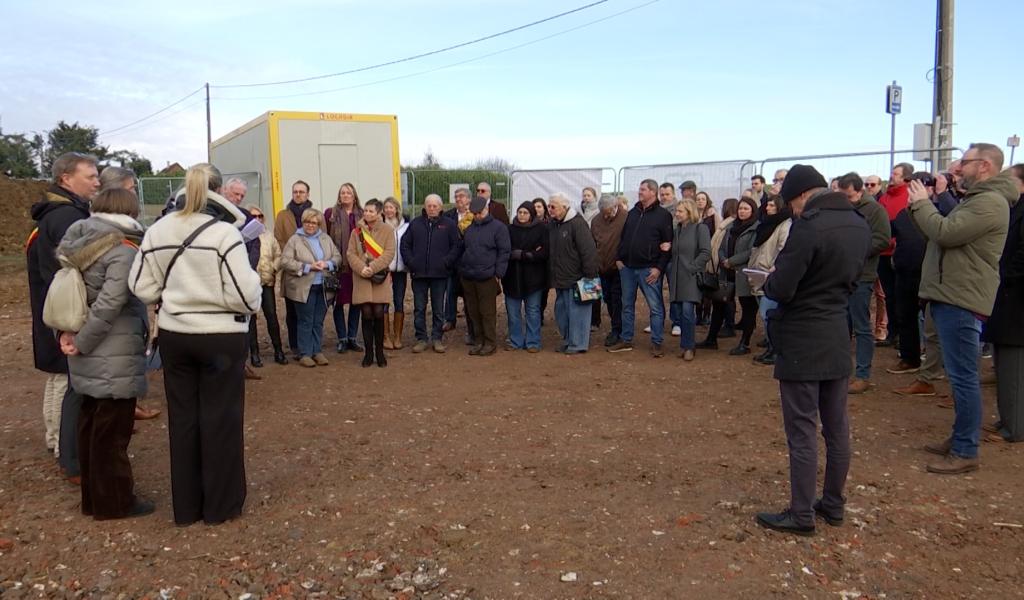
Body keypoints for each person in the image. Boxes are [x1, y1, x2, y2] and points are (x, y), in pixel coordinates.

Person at [129, 163, 262, 526]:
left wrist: (174, 296)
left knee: (183, 421)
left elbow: (140, 286)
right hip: (220, 336)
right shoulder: (223, 234)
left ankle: (186, 508)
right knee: (221, 420)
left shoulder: (158, 230)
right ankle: (220, 507)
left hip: (175, 335)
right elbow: (245, 295)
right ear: (219, 191)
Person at [755, 164, 871, 537]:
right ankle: (833, 504)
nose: (793, 210)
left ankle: (801, 513)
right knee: (837, 428)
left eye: (791, 203)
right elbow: (853, 280)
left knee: (802, 430)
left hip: (803, 337)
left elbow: (784, 287)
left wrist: (769, 282)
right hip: (837, 334)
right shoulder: (858, 223)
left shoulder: (809, 226)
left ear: (802, 195)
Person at [909, 143, 1014, 474]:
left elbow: (945, 232)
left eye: (963, 164)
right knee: (959, 376)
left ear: (983, 166)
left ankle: (966, 449)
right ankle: (959, 438)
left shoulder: (990, 203)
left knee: (964, 377)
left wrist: (923, 205)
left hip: (961, 298)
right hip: (952, 294)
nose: (957, 170)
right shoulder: (979, 200)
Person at [56, 187, 154, 520]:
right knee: (112, 433)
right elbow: (110, 305)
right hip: (112, 351)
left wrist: (70, 336)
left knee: (90, 425)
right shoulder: (121, 250)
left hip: (84, 350)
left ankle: (93, 499)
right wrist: (83, 340)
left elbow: (68, 294)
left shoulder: (77, 244)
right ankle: (115, 503)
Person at [28, 152, 98, 483]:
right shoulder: (67, 217)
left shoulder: (58, 213)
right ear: (66, 179)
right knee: (66, 378)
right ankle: (62, 447)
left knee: (60, 377)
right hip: (65, 309)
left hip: (54, 306)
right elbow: (77, 266)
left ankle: (57, 442)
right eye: (90, 176)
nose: (97, 181)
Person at [99, 166, 161, 420]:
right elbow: (115, 293)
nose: (135, 192)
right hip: (118, 319)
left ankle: (128, 407)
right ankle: (121, 413)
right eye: (132, 188)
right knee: (119, 364)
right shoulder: (115, 241)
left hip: (128, 315)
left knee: (129, 360)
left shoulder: (125, 234)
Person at [982, 163, 1024, 442]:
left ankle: (1015, 427)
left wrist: (1002, 277)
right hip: (1006, 299)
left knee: (1013, 370)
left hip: (1016, 302)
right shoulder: (1012, 209)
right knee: (1003, 364)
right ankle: (1006, 419)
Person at [839, 173, 892, 394]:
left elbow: (882, 239)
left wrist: (855, 251)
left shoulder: (875, 210)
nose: (846, 199)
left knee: (861, 325)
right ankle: (841, 370)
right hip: (841, 274)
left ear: (860, 191)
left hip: (862, 275)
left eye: (849, 195)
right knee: (842, 324)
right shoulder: (842, 209)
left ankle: (862, 374)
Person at [608, 179, 673, 357]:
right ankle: (626, 339)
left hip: (649, 269)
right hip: (627, 268)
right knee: (626, 305)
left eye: (643, 189)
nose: (639, 192)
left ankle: (657, 342)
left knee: (655, 307)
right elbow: (624, 237)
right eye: (640, 188)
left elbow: (667, 244)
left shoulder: (663, 215)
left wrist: (659, 268)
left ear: (653, 192)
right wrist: (620, 259)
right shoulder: (633, 213)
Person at [281, 208, 341, 367]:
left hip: (322, 286)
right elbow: (285, 261)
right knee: (305, 320)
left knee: (318, 321)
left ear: (319, 224)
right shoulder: (295, 239)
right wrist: (308, 267)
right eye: (307, 222)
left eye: (314, 223)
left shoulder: (325, 238)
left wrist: (327, 264)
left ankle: (317, 351)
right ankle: (305, 353)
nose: (310, 225)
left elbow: (337, 257)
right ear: (303, 222)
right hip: (303, 286)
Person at [402, 194, 460, 354]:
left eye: (435, 206)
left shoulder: (449, 225)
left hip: (440, 275)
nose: (432, 208)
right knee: (419, 308)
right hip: (419, 274)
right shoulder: (415, 224)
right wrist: (411, 262)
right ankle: (421, 338)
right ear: (425, 207)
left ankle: (437, 338)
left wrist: (446, 262)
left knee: (438, 309)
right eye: (429, 205)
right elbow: (405, 245)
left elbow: (456, 246)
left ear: (441, 207)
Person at [458, 196, 511, 356]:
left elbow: (504, 252)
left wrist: (498, 274)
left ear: (486, 210)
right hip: (469, 276)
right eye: (475, 213)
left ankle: (490, 342)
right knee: (473, 311)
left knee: (487, 312)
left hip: (488, 276)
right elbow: (464, 249)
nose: (477, 216)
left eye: (480, 213)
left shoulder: (499, 228)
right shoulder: (469, 229)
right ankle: (478, 340)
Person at [547, 193, 599, 354]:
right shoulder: (554, 225)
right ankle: (569, 339)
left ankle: (578, 343)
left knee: (579, 313)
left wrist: (589, 275)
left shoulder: (577, 224)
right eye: (549, 206)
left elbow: (588, 251)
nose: (550, 209)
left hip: (579, 278)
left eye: (553, 206)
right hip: (561, 277)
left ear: (564, 206)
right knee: (562, 312)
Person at [347, 199, 396, 368]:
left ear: (379, 212)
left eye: (371, 211)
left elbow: (389, 253)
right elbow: (350, 253)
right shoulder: (356, 232)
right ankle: (368, 354)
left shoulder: (388, 230)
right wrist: (362, 268)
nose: (367, 214)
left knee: (378, 313)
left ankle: (380, 352)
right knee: (366, 313)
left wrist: (373, 267)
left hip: (379, 277)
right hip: (361, 277)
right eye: (365, 211)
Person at [748, 195, 793, 365]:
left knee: (768, 314)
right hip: (760, 272)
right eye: (767, 205)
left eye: (772, 205)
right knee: (766, 314)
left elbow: (783, 249)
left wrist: (774, 268)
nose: (767, 208)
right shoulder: (766, 225)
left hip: (771, 273)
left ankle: (776, 350)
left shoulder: (784, 226)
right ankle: (772, 347)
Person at [876, 163, 915, 347]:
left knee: (902, 295)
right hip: (883, 252)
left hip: (900, 254)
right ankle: (892, 333)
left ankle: (904, 336)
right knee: (889, 295)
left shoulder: (909, 195)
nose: (892, 176)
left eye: (896, 174)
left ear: (905, 177)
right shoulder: (884, 198)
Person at [668, 199, 711, 361]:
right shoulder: (677, 230)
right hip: (678, 277)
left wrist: (692, 268)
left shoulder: (701, 228)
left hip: (691, 277)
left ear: (689, 212)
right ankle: (686, 345)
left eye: (680, 211)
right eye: (676, 211)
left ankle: (689, 347)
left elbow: (706, 252)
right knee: (680, 312)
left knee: (687, 312)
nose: (677, 214)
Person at [274, 181, 313, 358]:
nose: (298, 194)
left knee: (310, 309)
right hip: (291, 270)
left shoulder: (315, 215)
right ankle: (295, 345)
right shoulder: (283, 215)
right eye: (295, 191)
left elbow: (323, 239)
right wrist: (293, 259)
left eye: (301, 192)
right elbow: (279, 240)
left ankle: (311, 344)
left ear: (307, 194)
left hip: (312, 270)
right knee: (292, 310)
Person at [503, 201, 549, 352]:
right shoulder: (509, 229)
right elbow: (505, 249)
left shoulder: (541, 229)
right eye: (520, 212)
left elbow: (543, 252)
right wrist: (521, 253)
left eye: (525, 213)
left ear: (531, 214)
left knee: (533, 311)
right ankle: (515, 340)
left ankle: (533, 342)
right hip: (512, 276)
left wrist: (524, 254)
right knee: (513, 312)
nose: (522, 215)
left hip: (534, 277)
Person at [717, 196, 759, 355]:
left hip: (744, 273)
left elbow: (751, 251)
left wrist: (732, 261)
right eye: (740, 208)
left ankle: (745, 343)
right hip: (727, 270)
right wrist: (723, 260)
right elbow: (721, 247)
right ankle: (717, 334)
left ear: (752, 210)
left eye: (746, 209)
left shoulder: (756, 228)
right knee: (721, 302)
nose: (742, 211)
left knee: (748, 308)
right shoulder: (731, 227)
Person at [325, 183, 364, 354]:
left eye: (349, 192)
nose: (345, 195)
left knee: (357, 302)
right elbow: (325, 238)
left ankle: (352, 337)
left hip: (357, 265)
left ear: (354, 195)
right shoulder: (330, 214)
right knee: (338, 303)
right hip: (338, 266)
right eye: (342, 193)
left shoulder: (363, 214)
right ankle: (342, 338)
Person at [249, 206, 288, 365]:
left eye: (260, 216)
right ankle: (254, 353)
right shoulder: (242, 236)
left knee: (271, 316)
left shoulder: (268, 236)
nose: (257, 219)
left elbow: (278, 254)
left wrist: (273, 267)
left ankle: (278, 351)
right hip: (249, 283)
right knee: (251, 319)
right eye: (253, 216)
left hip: (267, 282)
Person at [591, 193, 627, 347]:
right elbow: (593, 242)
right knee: (607, 298)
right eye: (603, 213)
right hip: (601, 268)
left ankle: (617, 330)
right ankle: (616, 326)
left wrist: (622, 259)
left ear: (615, 207)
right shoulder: (596, 221)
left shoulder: (626, 218)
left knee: (617, 298)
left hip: (619, 267)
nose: (606, 217)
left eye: (608, 213)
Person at [444, 187, 473, 335]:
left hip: (468, 260)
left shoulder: (474, 215)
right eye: (456, 197)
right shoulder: (448, 216)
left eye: (461, 196)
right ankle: (450, 319)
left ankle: (471, 325)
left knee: (468, 294)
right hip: (452, 260)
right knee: (450, 291)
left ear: (469, 199)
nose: (458, 199)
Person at [382, 197, 409, 350]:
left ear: (397, 209)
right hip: (384, 271)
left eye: (391, 207)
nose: (388, 210)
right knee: (384, 303)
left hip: (401, 270)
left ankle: (397, 336)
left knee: (399, 302)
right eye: (386, 207)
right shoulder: (380, 226)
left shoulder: (406, 226)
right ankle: (385, 336)